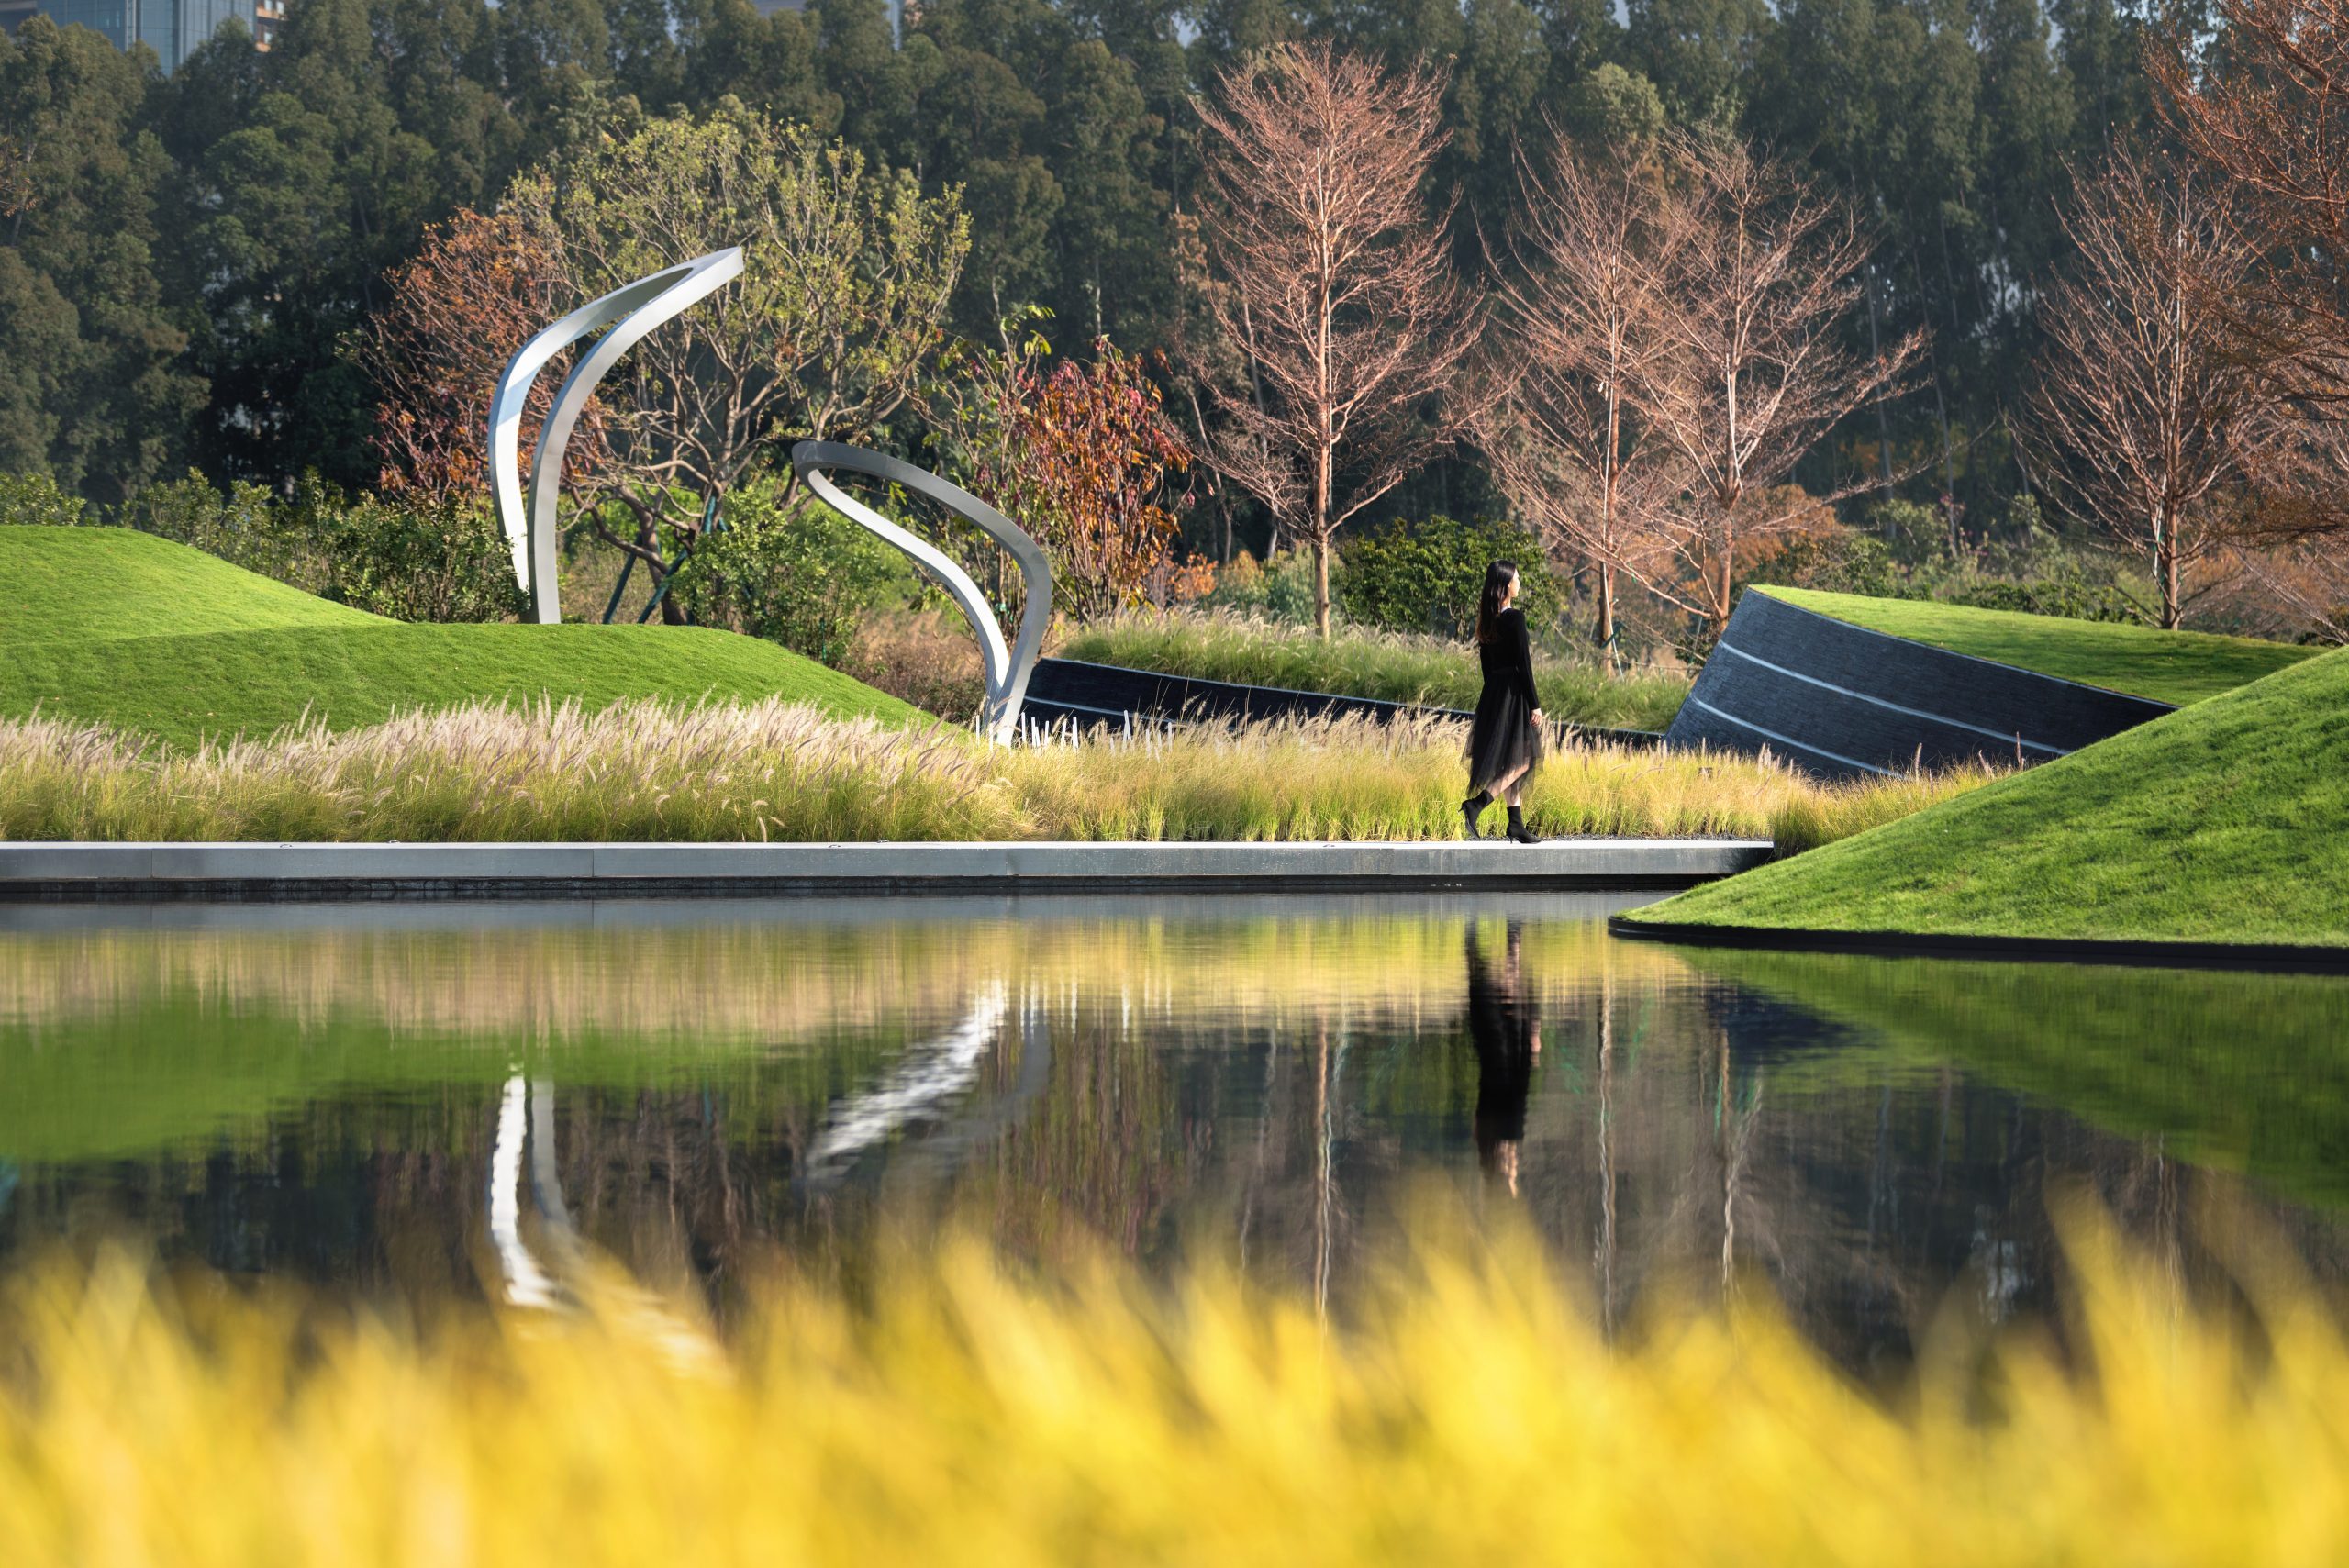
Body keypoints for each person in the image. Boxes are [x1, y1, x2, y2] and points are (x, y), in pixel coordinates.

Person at [1461, 560, 1544, 844]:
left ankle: (1516, 824)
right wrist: (1535, 703)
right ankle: (1478, 803)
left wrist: (1494, 700)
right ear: (1506, 585)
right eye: (1517, 579)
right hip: (1514, 692)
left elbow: (1486, 667)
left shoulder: (1488, 621)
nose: (1519, 583)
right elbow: (1524, 664)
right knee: (1524, 759)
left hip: (1494, 693)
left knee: (1510, 759)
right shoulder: (1515, 618)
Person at [1464, 920, 1541, 1195]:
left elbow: (1521, 1086)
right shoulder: (1483, 1138)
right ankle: (1476, 926)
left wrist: (1532, 1038)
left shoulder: (1510, 1133)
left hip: (1502, 1052)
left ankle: (1498, 927)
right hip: (1493, 1050)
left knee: (1494, 977)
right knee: (1481, 974)